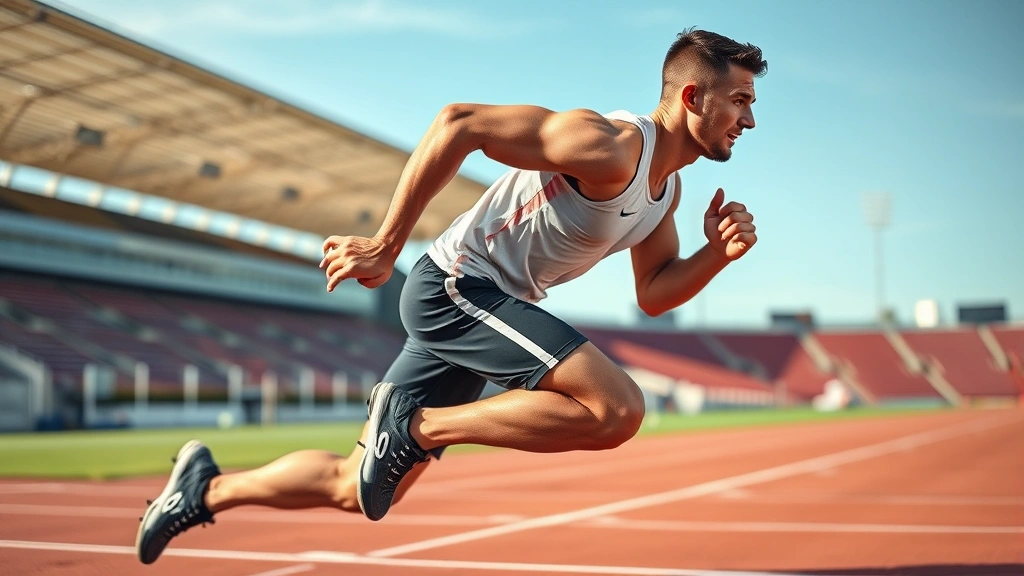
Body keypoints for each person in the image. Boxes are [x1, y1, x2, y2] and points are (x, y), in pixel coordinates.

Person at [135, 27, 766, 564]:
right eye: (739, 100)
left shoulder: (665, 193)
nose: (750, 119)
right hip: (457, 287)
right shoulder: (609, 146)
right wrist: (385, 245)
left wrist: (715, 255)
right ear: (691, 97)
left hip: (482, 311)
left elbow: (654, 293)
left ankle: (203, 489)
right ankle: (416, 426)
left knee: (356, 485)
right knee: (616, 409)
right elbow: (459, 123)